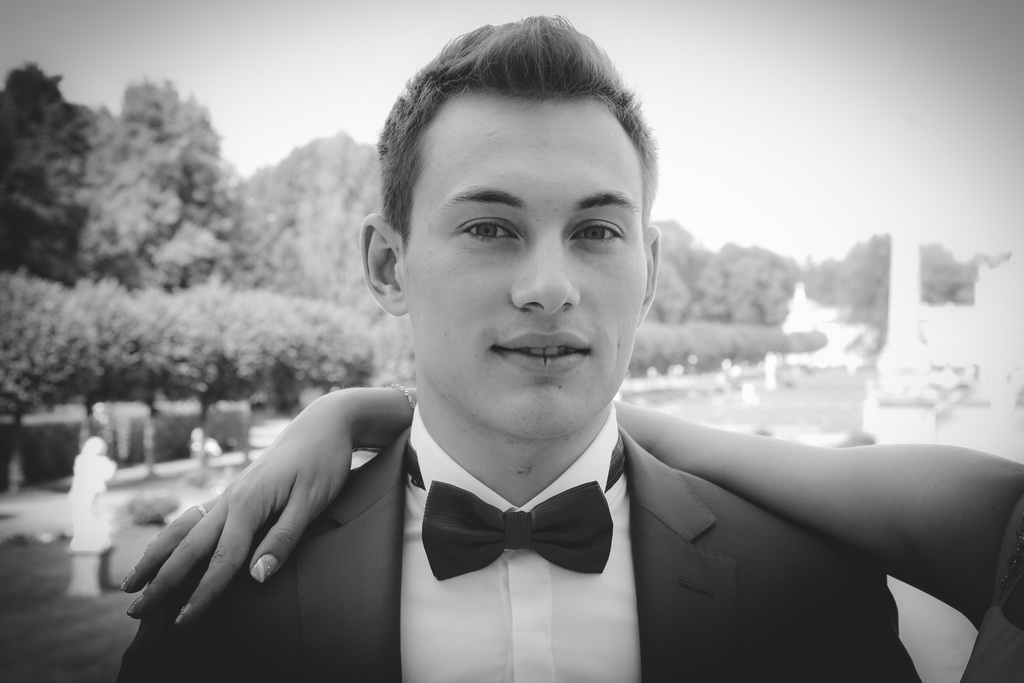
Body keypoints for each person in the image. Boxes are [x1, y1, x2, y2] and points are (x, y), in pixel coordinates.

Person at [118, 17, 1022, 682]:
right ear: (388, 265)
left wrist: (357, 409)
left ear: (649, 269)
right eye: (490, 226)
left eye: (596, 231)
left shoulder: (814, 589)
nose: (549, 287)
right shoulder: (226, 601)